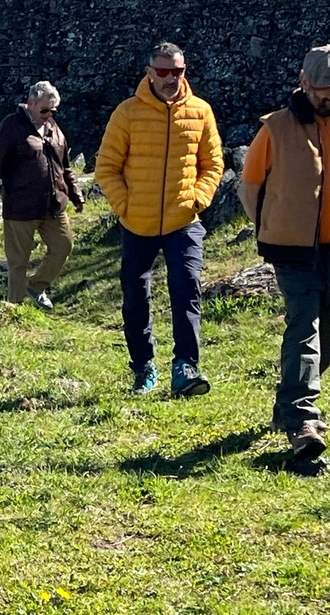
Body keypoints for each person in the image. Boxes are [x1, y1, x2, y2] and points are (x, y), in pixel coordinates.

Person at [238, 45, 330, 460]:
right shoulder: (276, 128)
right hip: (293, 250)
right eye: (321, 89)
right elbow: (249, 188)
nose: (329, 97)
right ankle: (303, 420)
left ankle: (288, 403)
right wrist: (271, 224)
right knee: (305, 327)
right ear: (303, 82)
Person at [96, 41, 224, 396]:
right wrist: (126, 206)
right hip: (136, 224)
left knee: (187, 289)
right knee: (135, 296)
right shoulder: (127, 113)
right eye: (164, 71)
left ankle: (186, 366)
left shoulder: (200, 111)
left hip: (184, 222)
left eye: (178, 71)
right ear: (149, 73)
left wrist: (198, 199)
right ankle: (143, 367)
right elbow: (106, 167)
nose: (171, 78)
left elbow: (213, 164)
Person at [0, 81, 84, 310]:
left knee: (63, 246)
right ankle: (14, 310)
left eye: (53, 111)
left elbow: (65, 165)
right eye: (44, 110)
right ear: (30, 103)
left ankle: (37, 286)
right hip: (21, 207)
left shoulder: (54, 128)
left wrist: (76, 195)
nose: (48, 115)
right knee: (18, 261)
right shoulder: (11, 125)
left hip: (53, 205)